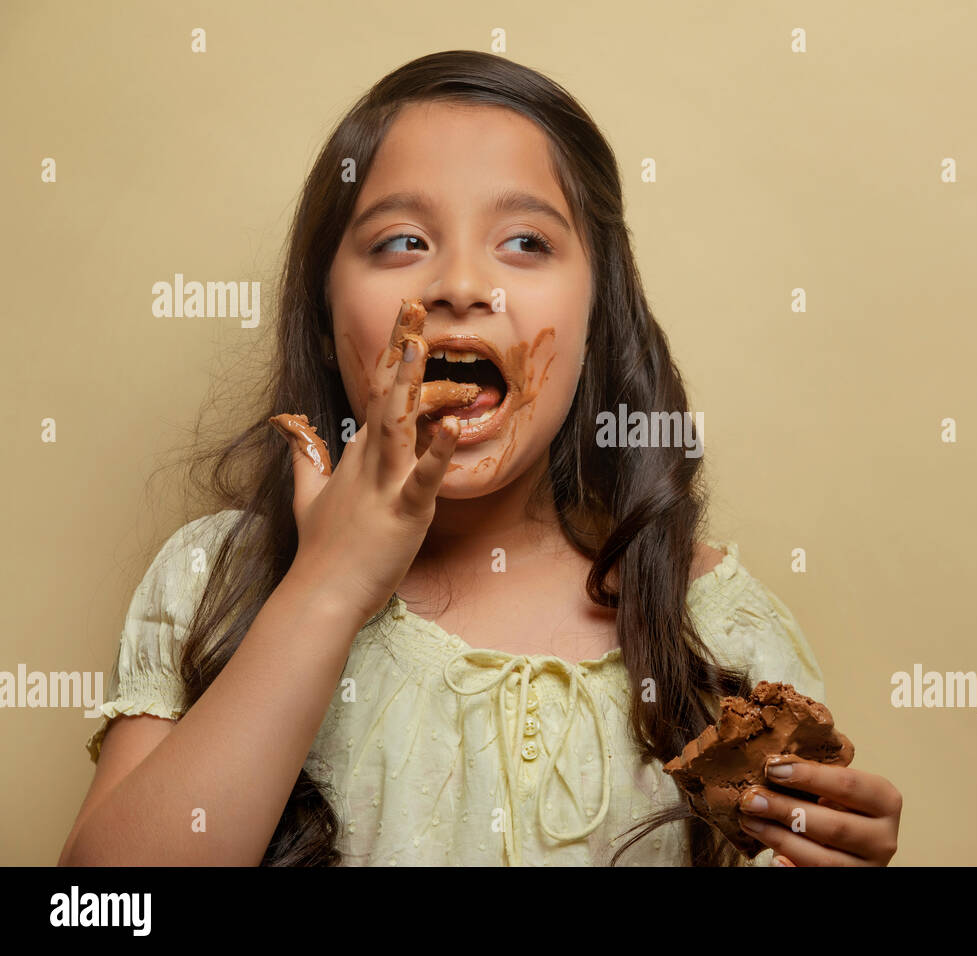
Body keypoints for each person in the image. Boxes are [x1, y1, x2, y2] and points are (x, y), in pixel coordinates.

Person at [58, 50, 901, 867]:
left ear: (594, 318)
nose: (462, 285)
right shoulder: (219, 578)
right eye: (400, 242)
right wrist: (329, 584)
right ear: (322, 316)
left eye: (527, 242)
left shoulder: (717, 629)